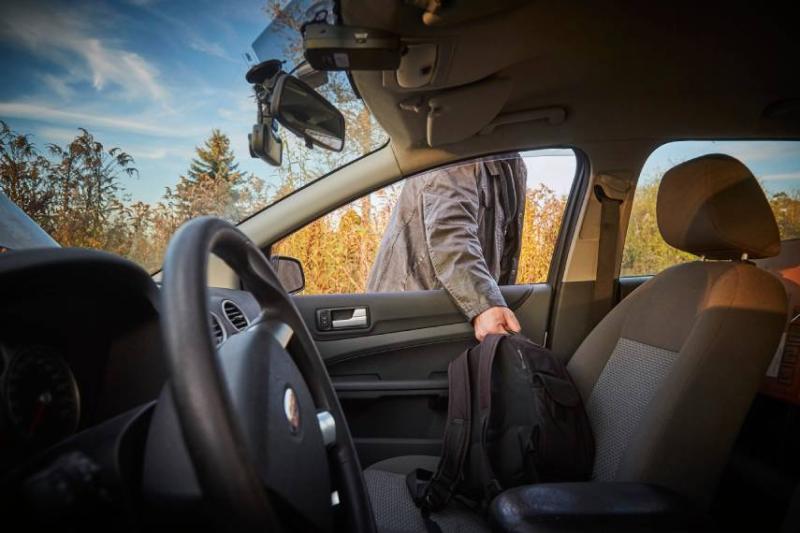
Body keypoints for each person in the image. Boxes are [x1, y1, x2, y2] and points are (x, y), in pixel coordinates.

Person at [367, 154, 527, 341]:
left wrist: (500, 304)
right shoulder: (455, 154)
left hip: (455, 305)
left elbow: (508, 252)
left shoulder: (511, 163)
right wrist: (486, 304)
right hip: (409, 311)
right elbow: (451, 231)